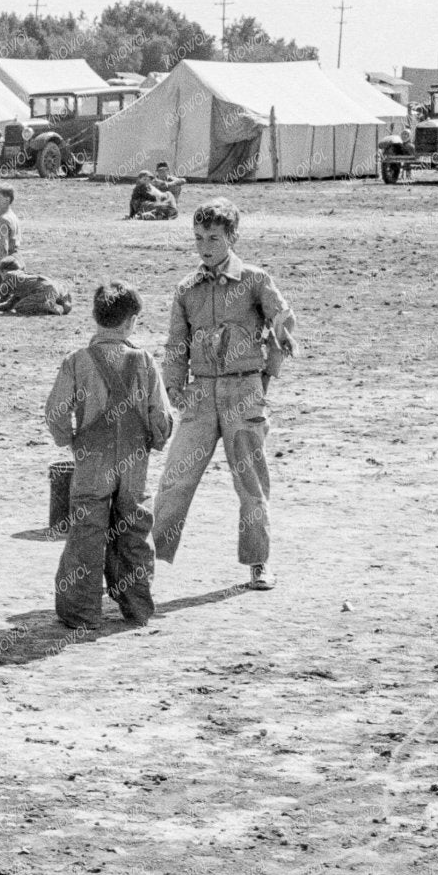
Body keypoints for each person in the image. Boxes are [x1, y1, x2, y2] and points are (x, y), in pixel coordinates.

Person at [150, 197, 295, 591]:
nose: (205, 246)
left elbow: (284, 327)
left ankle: (258, 563)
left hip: (244, 392)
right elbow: (175, 345)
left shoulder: (255, 280)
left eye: (213, 237)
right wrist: (173, 387)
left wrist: (268, 374)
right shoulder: (187, 289)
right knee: (175, 476)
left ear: (231, 236)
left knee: (250, 482)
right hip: (200, 394)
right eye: (198, 238)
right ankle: (144, 562)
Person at [45, 280, 174, 630]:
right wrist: (156, 441)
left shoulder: (77, 361)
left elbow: (56, 412)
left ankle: (82, 612)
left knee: (87, 532)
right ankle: (137, 608)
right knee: (132, 528)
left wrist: (68, 440)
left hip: (92, 459)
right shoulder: (145, 361)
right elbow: (161, 417)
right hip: (133, 462)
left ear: (95, 317)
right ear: (131, 321)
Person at [0, 259, 73, 316]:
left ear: (3, 271)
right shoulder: (22, 278)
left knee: (20, 307)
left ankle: (49, 307)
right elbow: (11, 303)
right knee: (20, 303)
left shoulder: (11, 275)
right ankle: (63, 304)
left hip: (43, 290)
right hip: (54, 287)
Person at [0, 185, 21, 288]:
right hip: (16, 262)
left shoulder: (2, 219)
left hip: (6, 267)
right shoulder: (12, 216)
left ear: (7, 200)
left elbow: (2, 249)